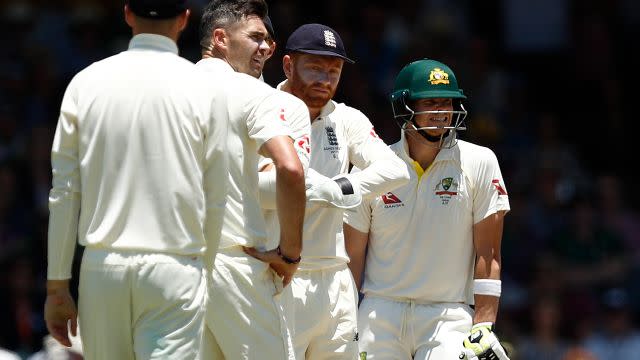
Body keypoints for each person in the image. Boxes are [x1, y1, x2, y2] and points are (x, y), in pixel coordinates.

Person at [45, 0, 229, 359]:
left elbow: (65, 192)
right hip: (176, 266)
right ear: (185, 19)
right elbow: (217, 194)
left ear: (127, 13)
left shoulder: (86, 82)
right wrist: (202, 271)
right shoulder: (205, 87)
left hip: (103, 268)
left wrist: (57, 286)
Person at [248, 23, 410, 359]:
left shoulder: (346, 119)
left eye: (334, 70)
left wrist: (335, 188)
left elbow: (395, 170)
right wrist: (317, 189)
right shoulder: (260, 109)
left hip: (336, 278)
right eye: (315, 68)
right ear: (289, 65)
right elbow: (255, 189)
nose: (325, 79)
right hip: (279, 275)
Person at [344, 58, 511, 360]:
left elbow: (489, 253)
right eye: (430, 102)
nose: (441, 112)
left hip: (447, 314)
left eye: (447, 102)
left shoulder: (480, 161)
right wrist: (343, 321)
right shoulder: (373, 166)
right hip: (379, 311)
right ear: (405, 105)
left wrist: (484, 325)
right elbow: (352, 256)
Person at [196, 1, 309, 359]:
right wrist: (289, 254)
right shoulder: (252, 92)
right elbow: (291, 170)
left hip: (178, 265)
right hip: (235, 264)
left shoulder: (167, 90)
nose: (265, 47)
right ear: (220, 38)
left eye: (269, 42)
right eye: (256, 37)